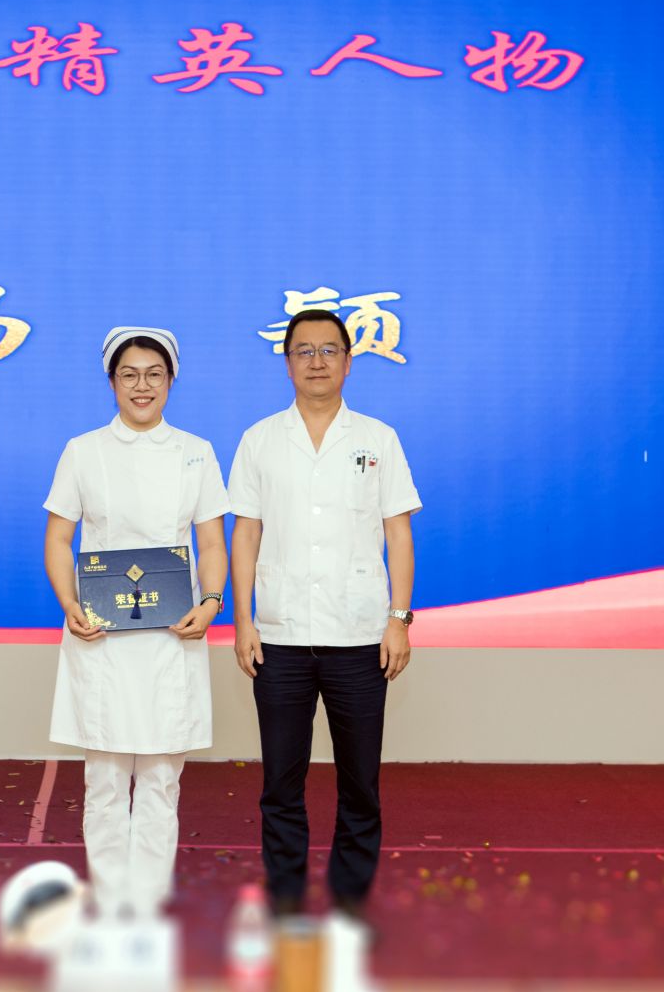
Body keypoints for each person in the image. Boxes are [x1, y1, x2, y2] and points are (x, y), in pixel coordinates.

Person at [227, 308, 422, 921]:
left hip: (360, 636)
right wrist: (243, 621)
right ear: (287, 363)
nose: (317, 361)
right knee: (280, 785)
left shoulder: (378, 439)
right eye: (304, 351)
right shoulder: (260, 440)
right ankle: (286, 901)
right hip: (279, 637)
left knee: (360, 784)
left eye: (329, 350)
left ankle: (349, 903)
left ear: (348, 361)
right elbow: (246, 534)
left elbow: (398, 534)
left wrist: (399, 618)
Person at [42, 326, 230, 918]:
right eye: (129, 375)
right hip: (102, 635)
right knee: (103, 777)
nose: (141, 386)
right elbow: (59, 536)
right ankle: (109, 895)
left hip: (172, 633)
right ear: (112, 382)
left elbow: (211, 541)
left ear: (171, 381)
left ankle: (145, 899)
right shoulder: (84, 451)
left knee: (161, 776)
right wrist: (69, 603)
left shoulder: (196, 452)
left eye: (154, 374)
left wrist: (212, 601)